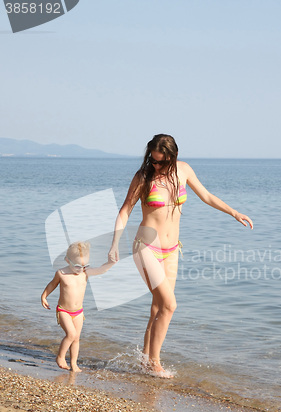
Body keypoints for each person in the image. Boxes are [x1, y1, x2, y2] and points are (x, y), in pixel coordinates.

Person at [108, 134, 253, 378]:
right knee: (170, 305)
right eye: (153, 161)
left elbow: (206, 196)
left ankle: (145, 360)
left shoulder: (183, 171)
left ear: (173, 158)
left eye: (162, 162)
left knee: (157, 308)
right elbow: (125, 210)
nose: (156, 166)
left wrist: (233, 212)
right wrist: (114, 243)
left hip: (172, 249)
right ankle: (155, 363)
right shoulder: (144, 177)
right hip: (145, 247)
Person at [41, 241, 115, 372]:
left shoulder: (85, 272)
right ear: (67, 260)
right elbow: (52, 284)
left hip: (79, 312)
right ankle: (60, 357)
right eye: (77, 266)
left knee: (76, 338)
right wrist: (44, 296)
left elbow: (101, 270)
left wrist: (110, 263)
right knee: (71, 334)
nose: (81, 269)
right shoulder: (62, 273)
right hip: (64, 310)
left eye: (85, 265)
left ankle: (74, 364)